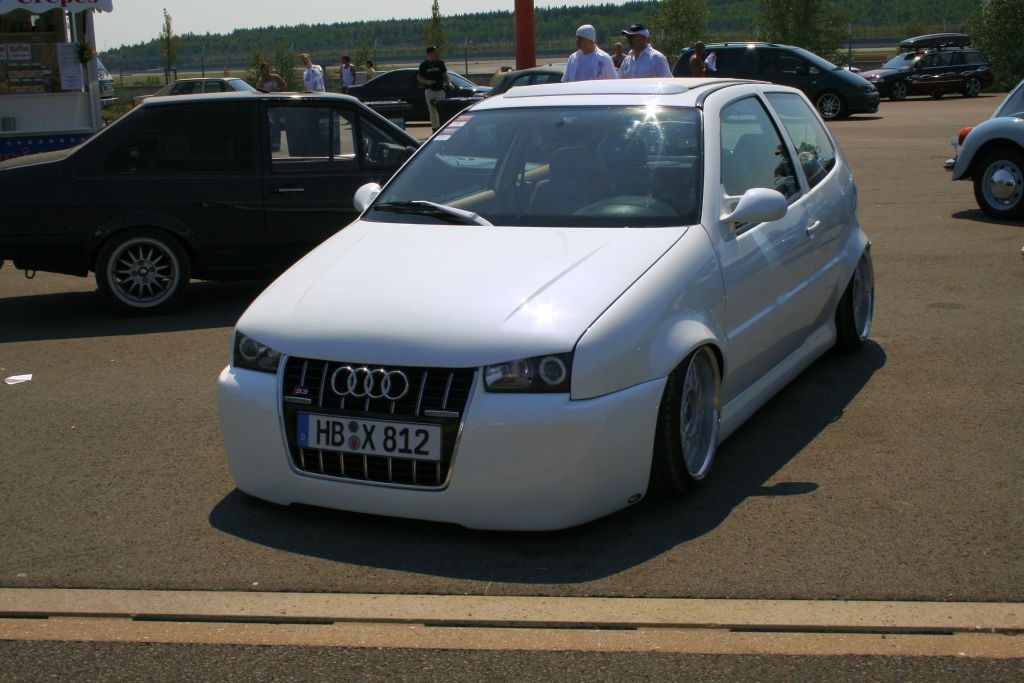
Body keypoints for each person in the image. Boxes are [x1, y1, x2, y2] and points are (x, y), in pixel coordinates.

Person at [418, 45, 452, 131]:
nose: (437, 54)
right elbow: (419, 77)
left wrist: (449, 83)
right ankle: (435, 128)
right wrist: (427, 82)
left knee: (441, 109)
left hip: (440, 90)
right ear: (430, 54)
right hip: (430, 91)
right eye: (435, 52)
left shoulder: (440, 63)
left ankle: (442, 127)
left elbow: (445, 75)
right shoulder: (423, 65)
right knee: (432, 110)